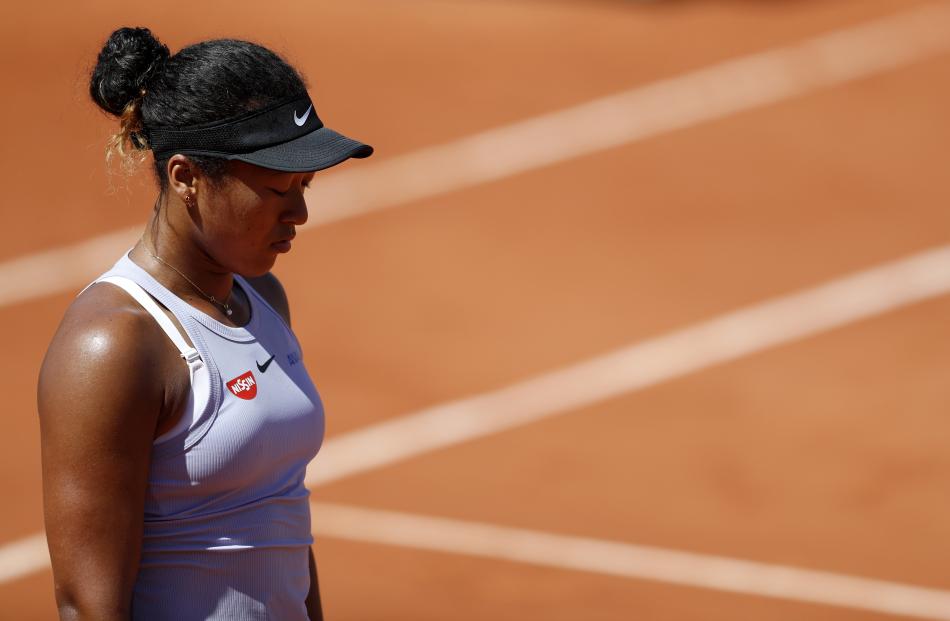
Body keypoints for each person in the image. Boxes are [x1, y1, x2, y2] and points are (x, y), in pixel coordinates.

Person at [37, 26, 372, 620]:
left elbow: (281, 511)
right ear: (186, 177)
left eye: (306, 184)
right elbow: (88, 605)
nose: (299, 212)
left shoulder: (262, 297)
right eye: (276, 189)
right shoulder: (114, 346)